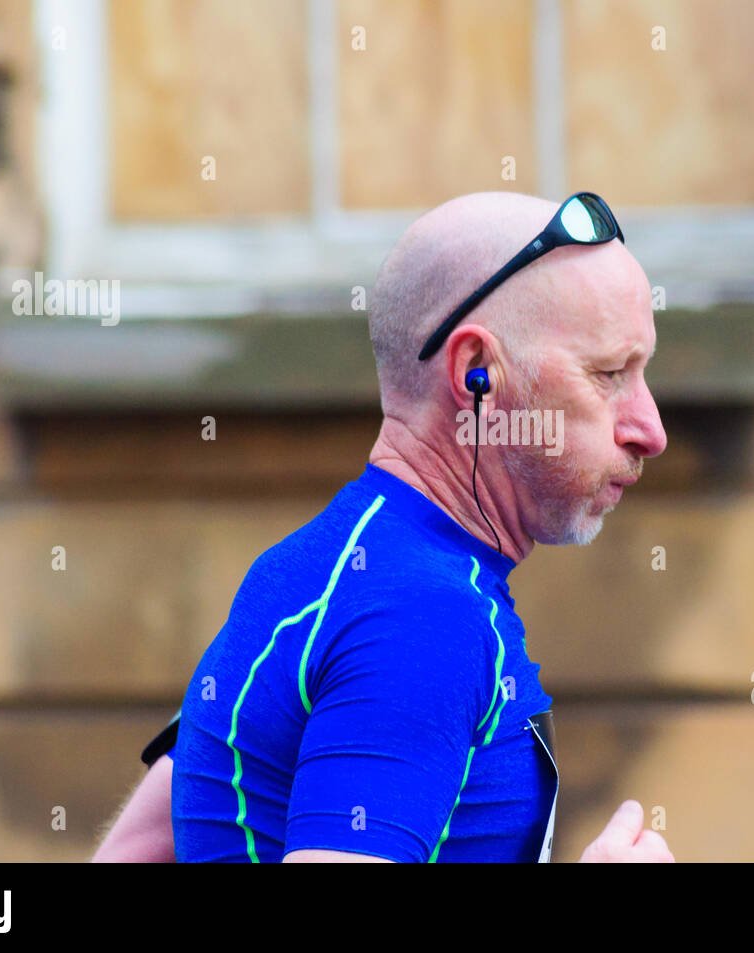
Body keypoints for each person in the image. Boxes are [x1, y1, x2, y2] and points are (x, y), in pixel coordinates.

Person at [93, 190, 671, 862]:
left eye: (643, 374)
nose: (650, 429)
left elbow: (141, 847)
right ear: (476, 373)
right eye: (608, 374)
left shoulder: (304, 569)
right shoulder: (423, 615)